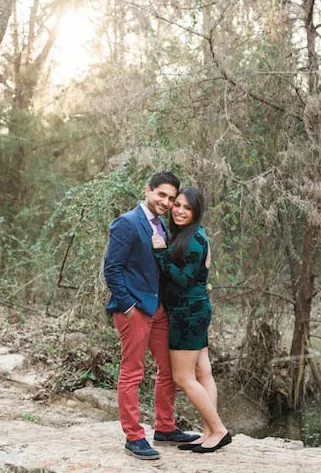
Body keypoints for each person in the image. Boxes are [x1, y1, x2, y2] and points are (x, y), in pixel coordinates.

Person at [103, 172, 201, 460]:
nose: (166, 202)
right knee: (132, 372)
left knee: (169, 369)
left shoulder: (161, 225)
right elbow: (112, 269)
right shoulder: (127, 223)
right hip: (133, 310)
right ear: (148, 190)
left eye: (171, 199)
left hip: (159, 310)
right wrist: (128, 306)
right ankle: (134, 437)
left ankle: (165, 427)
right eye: (162, 195)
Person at [152, 187, 232, 453]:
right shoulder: (185, 235)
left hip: (187, 312)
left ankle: (219, 430)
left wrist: (161, 254)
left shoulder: (195, 239)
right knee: (202, 372)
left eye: (187, 208)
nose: (180, 211)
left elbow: (184, 279)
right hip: (193, 309)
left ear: (195, 213)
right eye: (178, 205)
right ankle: (209, 432)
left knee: (183, 377)